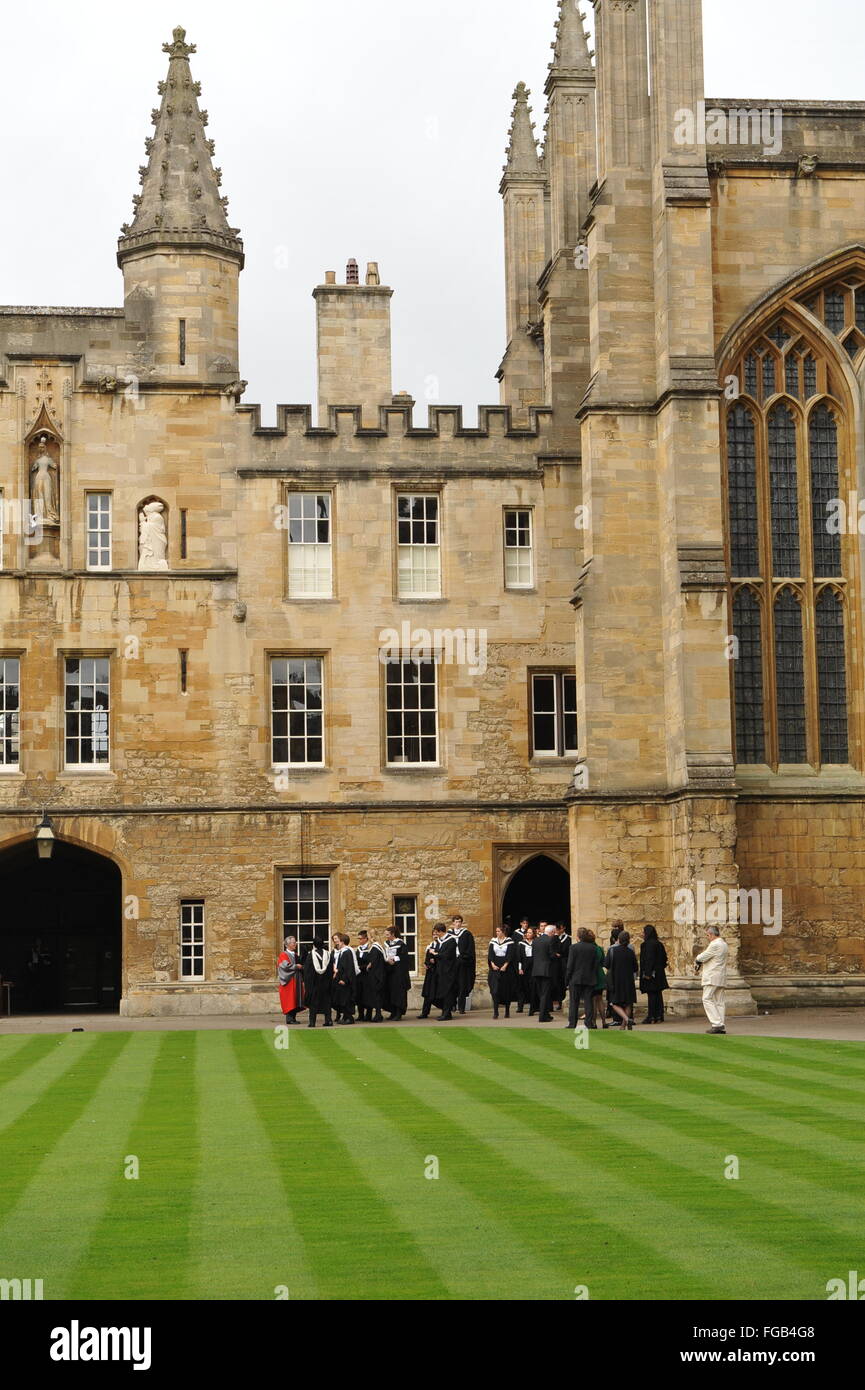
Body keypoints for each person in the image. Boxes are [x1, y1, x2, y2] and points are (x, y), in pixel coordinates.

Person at [695, 924, 729, 1034]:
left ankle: (717, 1024)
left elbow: (702, 957)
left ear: (712, 934)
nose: (707, 937)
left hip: (712, 976)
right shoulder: (724, 944)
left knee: (707, 998)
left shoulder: (715, 944)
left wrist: (697, 959)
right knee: (719, 1001)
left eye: (708, 935)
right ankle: (721, 1024)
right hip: (720, 976)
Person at [565, 927, 599, 1029]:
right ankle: (588, 1023)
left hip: (576, 978)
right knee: (588, 1002)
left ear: (579, 936)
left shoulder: (573, 948)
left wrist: (567, 979)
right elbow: (595, 964)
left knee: (574, 1002)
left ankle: (572, 1023)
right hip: (589, 977)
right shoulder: (593, 948)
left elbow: (570, 965)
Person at [604, 929, 638, 1029]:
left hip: (616, 980)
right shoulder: (630, 952)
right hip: (628, 980)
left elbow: (606, 965)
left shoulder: (612, 950)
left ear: (618, 939)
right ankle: (624, 1025)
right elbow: (635, 968)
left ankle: (626, 1021)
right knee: (628, 1003)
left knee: (614, 1003)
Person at [639, 924, 669, 1024]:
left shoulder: (646, 944)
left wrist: (647, 973)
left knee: (651, 994)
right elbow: (664, 959)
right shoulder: (659, 944)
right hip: (659, 973)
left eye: (643, 932)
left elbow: (648, 959)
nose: (642, 934)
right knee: (658, 994)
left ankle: (651, 1016)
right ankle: (659, 1015)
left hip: (651, 974)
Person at [303, 938, 334, 1027]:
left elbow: (308, 972)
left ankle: (312, 1022)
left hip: (314, 983)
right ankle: (328, 1020)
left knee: (313, 1003)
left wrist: (308, 985)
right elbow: (330, 970)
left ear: (314, 945)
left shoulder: (310, 956)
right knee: (327, 1002)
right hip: (326, 983)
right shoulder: (328, 955)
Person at [487, 925, 516, 1019]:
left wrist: (505, 965)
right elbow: (490, 953)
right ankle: (495, 1012)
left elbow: (510, 955)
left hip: (506, 969)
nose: (497, 933)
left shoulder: (509, 941)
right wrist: (492, 964)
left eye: (499, 931)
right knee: (495, 991)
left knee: (506, 990)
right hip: (494, 969)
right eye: (496, 931)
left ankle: (507, 1010)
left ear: (503, 932)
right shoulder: (493, 941)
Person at [357, 930, 385, 1023]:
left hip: (376, 975)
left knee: (376, 996)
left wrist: (369, 965)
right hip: (373, 974)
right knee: (374, 995)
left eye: (368, 936)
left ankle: (378, 1015)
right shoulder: (374, 947)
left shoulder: (376, 948)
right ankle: (377, 1015)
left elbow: (373, 961)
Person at [384, 925, 411, 1020]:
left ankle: (398, 1013)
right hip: (390, 971)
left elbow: (405, 957)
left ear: (393, 934)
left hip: (399, 972)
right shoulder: (387, 943)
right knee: (391, 992)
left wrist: (394, 959)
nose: (386, 936)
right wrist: (387, 960)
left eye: (387, 934)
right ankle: (393, 1012)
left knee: (398, 993)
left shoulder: (401, 944)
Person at [450, 915, 476, 1014]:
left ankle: (461, 1007)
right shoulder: (448, 934)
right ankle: (452, 1005)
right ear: (453, 923)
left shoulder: (467, 934)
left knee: (462, 984)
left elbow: (470, 949)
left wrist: (462, 958)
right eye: (456, 922)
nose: (458, 923)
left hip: (462, 963)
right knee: (452, 984)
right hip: (451, 963)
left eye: (460, 921)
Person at [432, 923, 458, 1020]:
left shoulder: (451, 941)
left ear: (440, 931)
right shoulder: (439, 941)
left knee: (448, 993)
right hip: (441, 971)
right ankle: (445, 1012)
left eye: (436, 932)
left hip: (449, 971)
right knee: (442, 993)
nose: (436, 934)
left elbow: (446, 955)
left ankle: (447, 1014)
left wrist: (435, 954)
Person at [532, 925, 557, 1023]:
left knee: (541, 993)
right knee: (545, 994)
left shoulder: (536, 940)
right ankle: (543, 1016)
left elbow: (534, 954)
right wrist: (555, 955)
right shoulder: (550, 940)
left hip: (536, 970)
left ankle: (546, 1014)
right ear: (551, 932)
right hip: (546, 970)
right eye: (554, 932)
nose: (554, 934)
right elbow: (551, 955)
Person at [277, 935, 303, 1025]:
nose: (295, 944)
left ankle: (293, 1018)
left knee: (296, 999)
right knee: (289, 1000)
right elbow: (285, 966)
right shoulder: (283, 955)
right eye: (293, 943)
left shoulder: (295, 954)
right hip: (288, 981)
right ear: (287, 944)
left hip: (296, 980)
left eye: (295, 942)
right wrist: (296, 966)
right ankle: (289, 1018)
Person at [333, 933, 358, 1024]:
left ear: (342, 942)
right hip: (340, 980)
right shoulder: (342, 952)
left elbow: (348, 968)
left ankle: (349, 1018)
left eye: (338, 942)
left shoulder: (347, 952)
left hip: (346, 981)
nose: (337, 943)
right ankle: (344, 1017)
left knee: (347, 999)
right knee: (342, 999)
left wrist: (344, 979)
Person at [586, 929, 608, 1029]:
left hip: (592, 975)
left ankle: (594, 1022)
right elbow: (604, 962)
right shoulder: (599, 948)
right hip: (600, 974)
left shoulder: (589, 949)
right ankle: (604, 1022)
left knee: (593, 1001)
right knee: (600, 999)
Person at [606, 921, 623, 1022]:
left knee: (613, 993)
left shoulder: (612, 948)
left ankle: (615, 1015)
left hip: (614, 971)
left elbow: (607, 963)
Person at [551, 922, 571, 1012]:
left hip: (564, 963)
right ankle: (559, 1002)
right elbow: (552, 949)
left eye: (560, 929)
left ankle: (564, 1000)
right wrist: (556, 953)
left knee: (564, 982)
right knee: (557, 983)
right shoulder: (554, 938)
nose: (558, 931)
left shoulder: (568, 938)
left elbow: (566, 950)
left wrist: (560, 953)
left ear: (563, 929)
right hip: (556, 964)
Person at [516, 926, 535, 1014]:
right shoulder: (521, 944)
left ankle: (532, 1008)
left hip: (533, 967)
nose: (528, 934)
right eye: (527, 932)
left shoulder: (536, 943)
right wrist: (520, 968)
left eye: (530, 932)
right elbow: (519, 957)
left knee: (532, 988)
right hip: (524, 966)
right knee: (522, 987)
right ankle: (520, 1006)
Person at [419, 933, 439, 1018]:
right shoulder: (430, 946)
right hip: (430, 973)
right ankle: (424, 1013)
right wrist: (427, 964)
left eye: (436, 934)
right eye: (434, 934)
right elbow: (427, 959)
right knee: (427, 993)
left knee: (438, 993)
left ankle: (446, 1011)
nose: (435, 936)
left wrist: (435, 961)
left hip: (438, 973)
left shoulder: (441, 945)